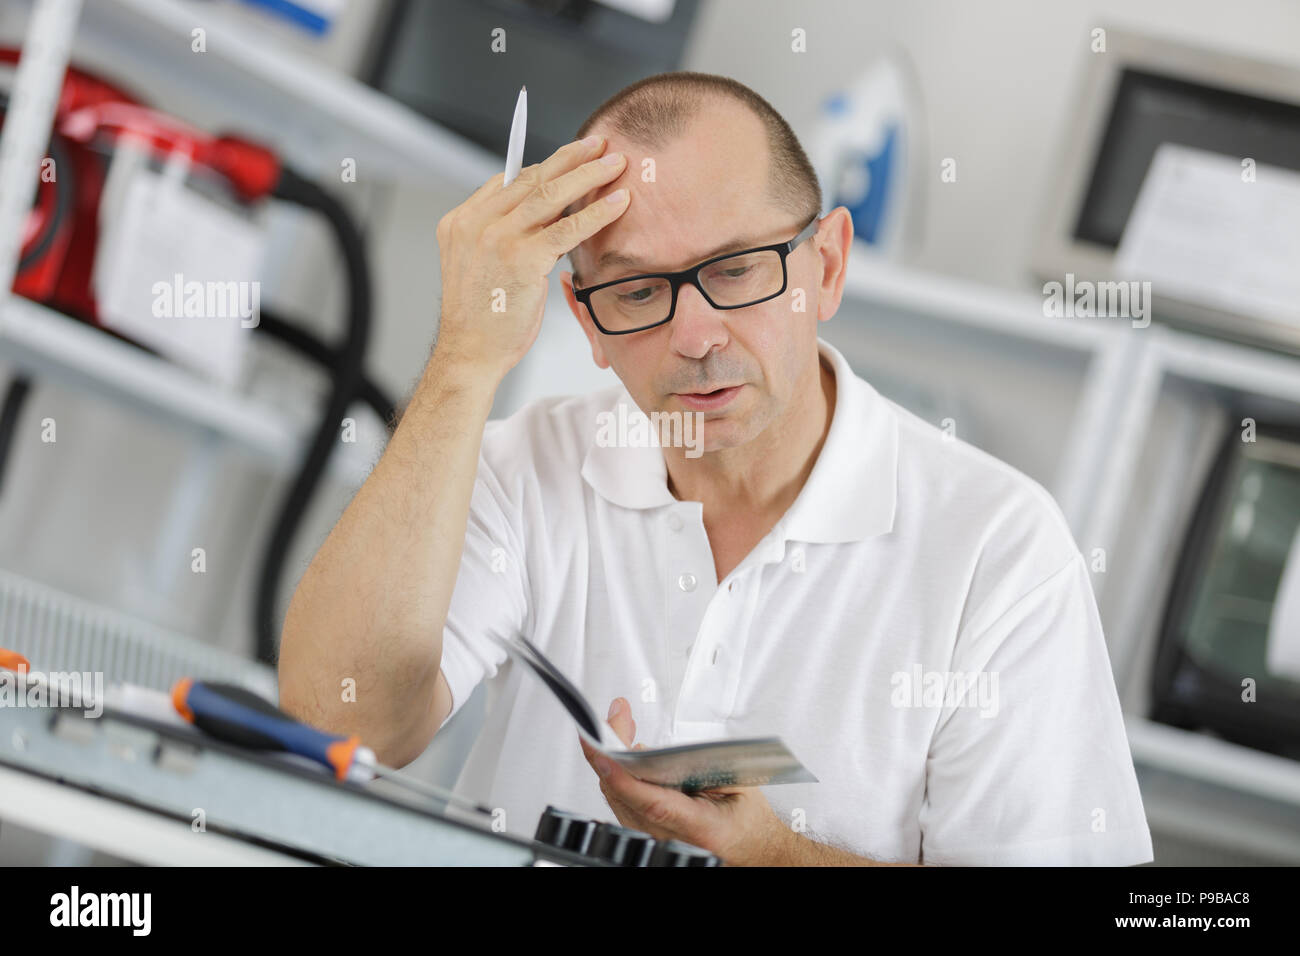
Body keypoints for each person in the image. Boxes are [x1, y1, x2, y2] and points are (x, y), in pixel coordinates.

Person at [278, 71, 1153, 866]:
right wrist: (463, 362)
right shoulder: (529, 468)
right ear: (585, 322)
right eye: (637, 291)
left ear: (828, 266)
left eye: (736, 271)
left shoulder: (998, 553)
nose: (693, 337)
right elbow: (338, 721)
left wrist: (770, 856)